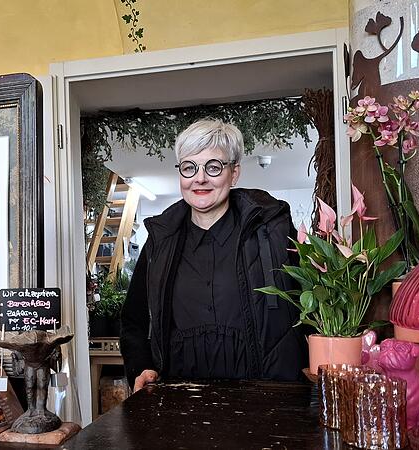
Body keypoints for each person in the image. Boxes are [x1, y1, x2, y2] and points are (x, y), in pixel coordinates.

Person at [120, 119, 307, 392]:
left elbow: (311, 309)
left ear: (234, 173)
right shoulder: (161, 241)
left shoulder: (272, 231)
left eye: (214, 166)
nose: (200, 178)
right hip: (180, 399)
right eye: (189, 167)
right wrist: (141, 367)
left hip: (265, 398)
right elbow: (134, 321)